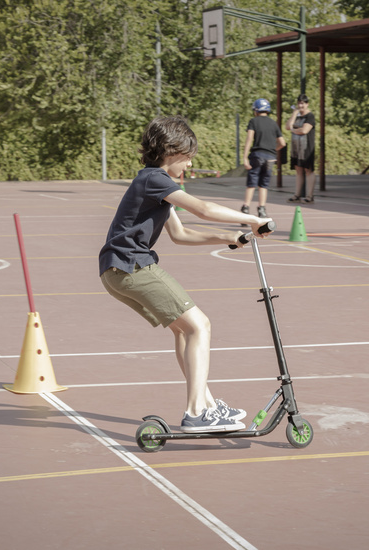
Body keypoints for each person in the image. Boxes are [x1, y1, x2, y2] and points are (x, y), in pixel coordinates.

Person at [99, 116, 273, 433]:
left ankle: (205, 404)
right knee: (200, 325)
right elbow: (204, 209)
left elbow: (180, 234)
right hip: (130, 265)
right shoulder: (155, 179)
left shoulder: (154, 184)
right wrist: (251, 220)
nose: (190, 163)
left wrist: (227, 237)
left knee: (183, 330)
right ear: (171, 150)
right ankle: (196, 412)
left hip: (119, 269)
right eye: (188, 155)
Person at [241, 98, 286, 221]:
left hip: (257, 155)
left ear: (256, 110)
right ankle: (262, 209)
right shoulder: (273, 123)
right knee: (263, 185)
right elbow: (282, 143)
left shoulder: (253, 121)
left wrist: (245, 157)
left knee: (252, 183)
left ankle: (246, 207)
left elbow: (249, 138)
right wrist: (272, 150)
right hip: (270, 158)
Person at [285, 94, 316, 204]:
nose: (300, 105)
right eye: (299, 103)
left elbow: (304, 130)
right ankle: (297, 194)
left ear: (307, 104)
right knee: (298, 170)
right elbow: (288, 126)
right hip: (296, 148)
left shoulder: (310, 116)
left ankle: (309, 196)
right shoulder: (297, 116)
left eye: (302, 103)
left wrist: (294, 130)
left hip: (306, 148)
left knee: (308, 170)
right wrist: (294, 114)